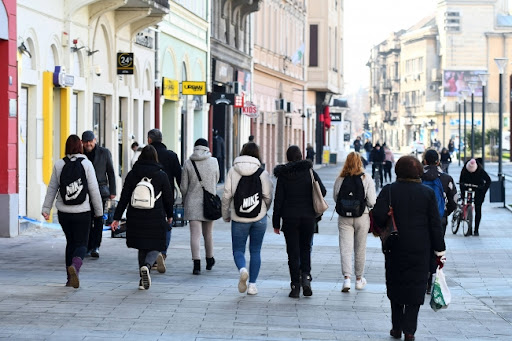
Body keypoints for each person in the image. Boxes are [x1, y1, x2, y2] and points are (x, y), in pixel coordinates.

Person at [372, 156, 446, 341]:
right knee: (416, 288)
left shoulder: (389, 191)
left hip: (394, 247)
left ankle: (396, 327)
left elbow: (378, 218)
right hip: (420, 249)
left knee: (396, 285)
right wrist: (440, 250)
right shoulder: (427, 193)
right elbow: (435, 225)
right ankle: (410, 331)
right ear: (419, 172)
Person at [41, 135, 103, 288]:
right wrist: (99, 212)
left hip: (64, 212)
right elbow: (94, 190)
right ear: (80, 147)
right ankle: (75, 266)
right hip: (82, 211)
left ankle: (69, 279)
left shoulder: (59, 164)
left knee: (71, 242)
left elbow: (52, 188)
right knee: (82, 243)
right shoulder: (86, 164)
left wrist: (46, 209)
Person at [110, 145, 174, 290]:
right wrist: (170, 215)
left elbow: (125, 196)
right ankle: (147, 266)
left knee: (142, 246)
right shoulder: (161, 175)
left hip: (135, 216)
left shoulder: (132, 174)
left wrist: (117, 217)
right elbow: (168, 198)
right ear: (155, 158)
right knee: (157, 244)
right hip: (156, 215)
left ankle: (142, 278)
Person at [273, 145, 326, 298]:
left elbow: (278, 201)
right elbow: (322, 191)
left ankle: (295, 285)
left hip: (289, 219)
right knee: (305, 249)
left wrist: (276, 223)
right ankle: (306, 279)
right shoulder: (309, 172)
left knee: (292, 252)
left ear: (288, 157)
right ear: (301, 156)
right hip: (308, 217)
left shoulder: (283, 175)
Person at [222, 142, 273, 295]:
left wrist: (225, 214)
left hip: (239, 217)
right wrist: (265, 210)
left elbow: (226, 195)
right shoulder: (262, 172)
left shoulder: (233, 171)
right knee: (256, 251)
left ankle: (243, 269)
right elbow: (268, 196)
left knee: (238, 250)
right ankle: (252, 285)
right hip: (259, 217)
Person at [333, 152, 376, 292]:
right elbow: (372, 201)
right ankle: (359, 280)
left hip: (344, 217)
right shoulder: (366, 178)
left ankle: (346, 279)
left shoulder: (340, 178)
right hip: (362, 216)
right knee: (360, 248)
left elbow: (335, 197)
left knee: (345, 248)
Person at [181, 138, 220, 274]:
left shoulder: (188, 163)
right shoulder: (214, 161)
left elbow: (184, 187)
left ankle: (196, 264)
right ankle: (209, 259)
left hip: (192, 203)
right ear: (207, 148)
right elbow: (217, 179)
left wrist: (184, 199)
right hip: (209, 203)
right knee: (208, 234)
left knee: (195, 235)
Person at [421, 149, 457, 293]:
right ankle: (431, 280)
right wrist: (445, 213)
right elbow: (454, 200)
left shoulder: (417, 176)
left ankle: (423, 280)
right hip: (439, 220)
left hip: (421, 220)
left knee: (422, 248)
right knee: (436, 249)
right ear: (438, 162)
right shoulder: (446, 178)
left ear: (424, 161)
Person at [147, 128, 182, 267]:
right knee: (167, 222)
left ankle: (152, 253)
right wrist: (183, 193)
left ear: (149, 140)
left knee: (150, 225)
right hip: (167, 195)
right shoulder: (171, 155)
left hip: (149, 195)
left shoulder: (146, 155)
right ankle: (162, 252)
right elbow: (179, 176)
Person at [82, 130, 116, 258]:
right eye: (86, 142)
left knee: (98, 219)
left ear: (95, 140)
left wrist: (112, 191)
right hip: (84, 191)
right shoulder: (80, 153)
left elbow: (111, 172)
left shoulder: (104, 153)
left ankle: (96, 246)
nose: (88, 144)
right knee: (86, 219)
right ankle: (86, 246)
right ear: (82, 142)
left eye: (90, 141)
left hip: (100, 190)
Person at [459, 159, 491, 236]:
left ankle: (476, 229)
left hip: (478, 191)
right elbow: (461, 181)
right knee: (465, 202)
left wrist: (483, 190)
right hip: (467, 188)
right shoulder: (464, 169)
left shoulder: (480, 170)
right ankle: (465, 219)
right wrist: (462, 190)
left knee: (478, 209)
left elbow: (488, 180)